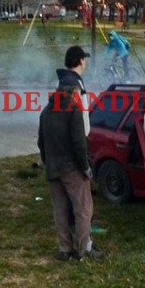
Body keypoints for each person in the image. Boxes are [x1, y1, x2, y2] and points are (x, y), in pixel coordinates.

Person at [38, 46, 103, 261]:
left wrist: (47, 162)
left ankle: (64, 249)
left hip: (53, 167)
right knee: (83, 208)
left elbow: (41, 142)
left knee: (60, 210)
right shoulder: (74, 107)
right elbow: (78, 139)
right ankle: (84, 249)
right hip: (71, 167)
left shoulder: (46, 111)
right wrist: (84, 166)